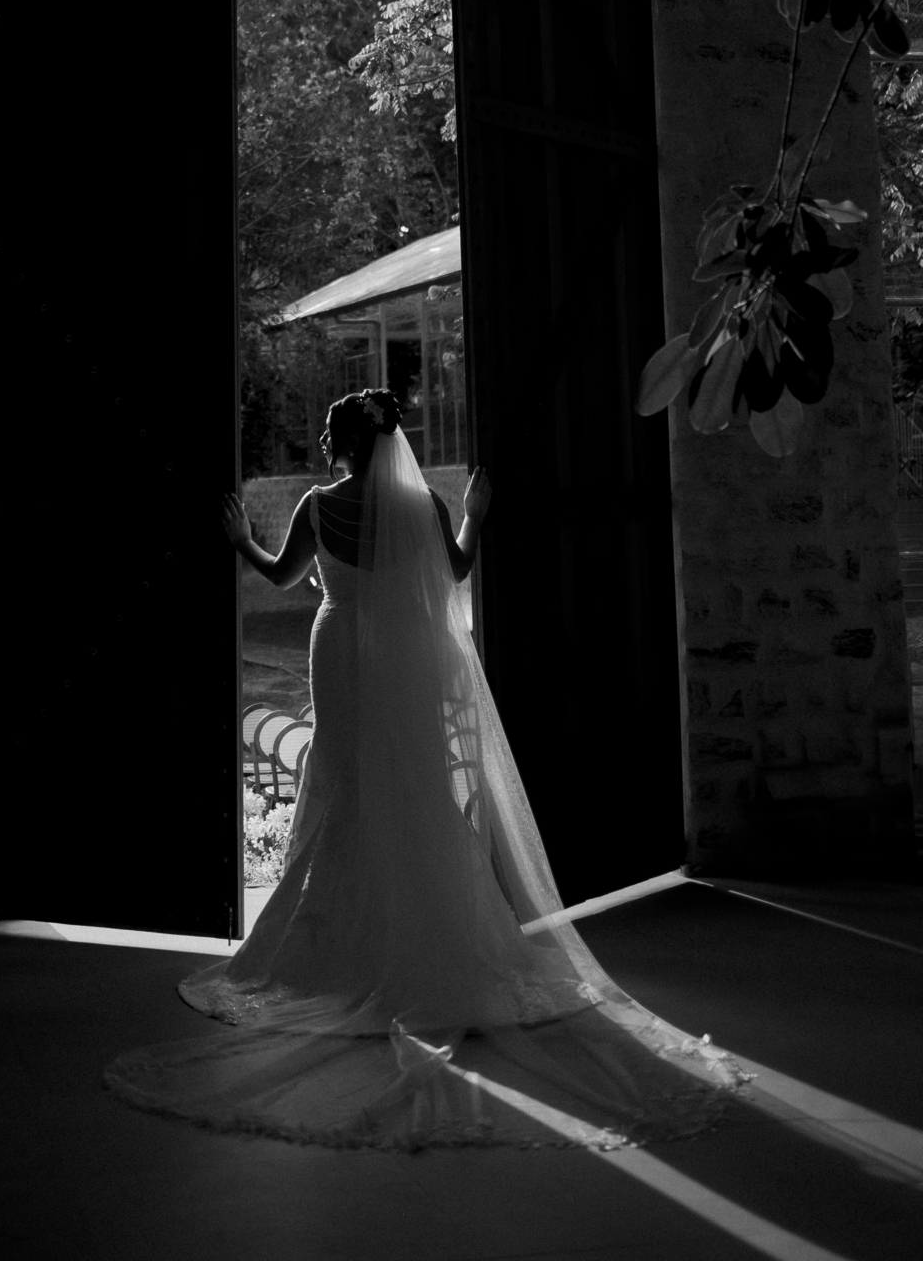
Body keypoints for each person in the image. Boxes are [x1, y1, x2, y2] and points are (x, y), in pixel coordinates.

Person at [105, 388, 748, 1150]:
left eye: (329, 430)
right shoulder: (424, 506)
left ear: (349, 441)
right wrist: (475, 513)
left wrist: (241, 539)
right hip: (407, 656)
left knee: (345, 780)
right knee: (414, 782)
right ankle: (432, 932)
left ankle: (338, 944)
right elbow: (456, 570)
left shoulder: (318, 505)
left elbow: (281, 578)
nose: (322, 439)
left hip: (341, 649)